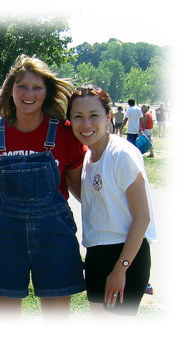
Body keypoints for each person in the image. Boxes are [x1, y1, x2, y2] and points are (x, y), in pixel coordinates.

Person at [0, 54, 86, 321]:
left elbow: (81, 191)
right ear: (10, 90)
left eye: (37, 87)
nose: (29, 94)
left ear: (47, 92)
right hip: (5, 236)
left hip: (54, 235)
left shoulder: (65, 133)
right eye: (22, 86)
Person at [67, 85, 157, 317]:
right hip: (96, 252)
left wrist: (121, 267)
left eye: (94, 115)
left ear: (108, 116)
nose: (86, 124)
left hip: (125, 255)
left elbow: (142, 217)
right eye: (78, 117)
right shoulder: (88, 157)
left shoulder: (122, 154)